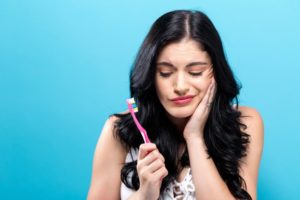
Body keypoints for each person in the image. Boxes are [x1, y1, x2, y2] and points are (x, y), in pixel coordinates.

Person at [87, 10, 264, 200]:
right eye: (165, 73)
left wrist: (194, 137)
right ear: (150, 75)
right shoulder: (119, 132)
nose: (180, 87)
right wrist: (144, 195)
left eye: (195, 72)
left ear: (216, 72)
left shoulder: (245, 123)